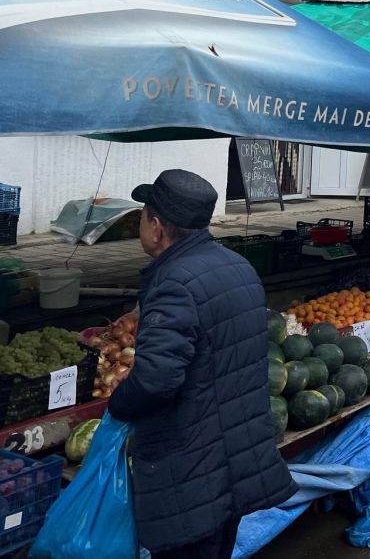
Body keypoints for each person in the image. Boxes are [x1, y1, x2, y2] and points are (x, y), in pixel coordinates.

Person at [109, 169, 296, 558]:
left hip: (192, 472)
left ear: (157, 227)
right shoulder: (238, 267)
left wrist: (119, 403)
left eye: (143, 215)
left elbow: (156, 380)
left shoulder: (174, 283)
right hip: (234, 461)